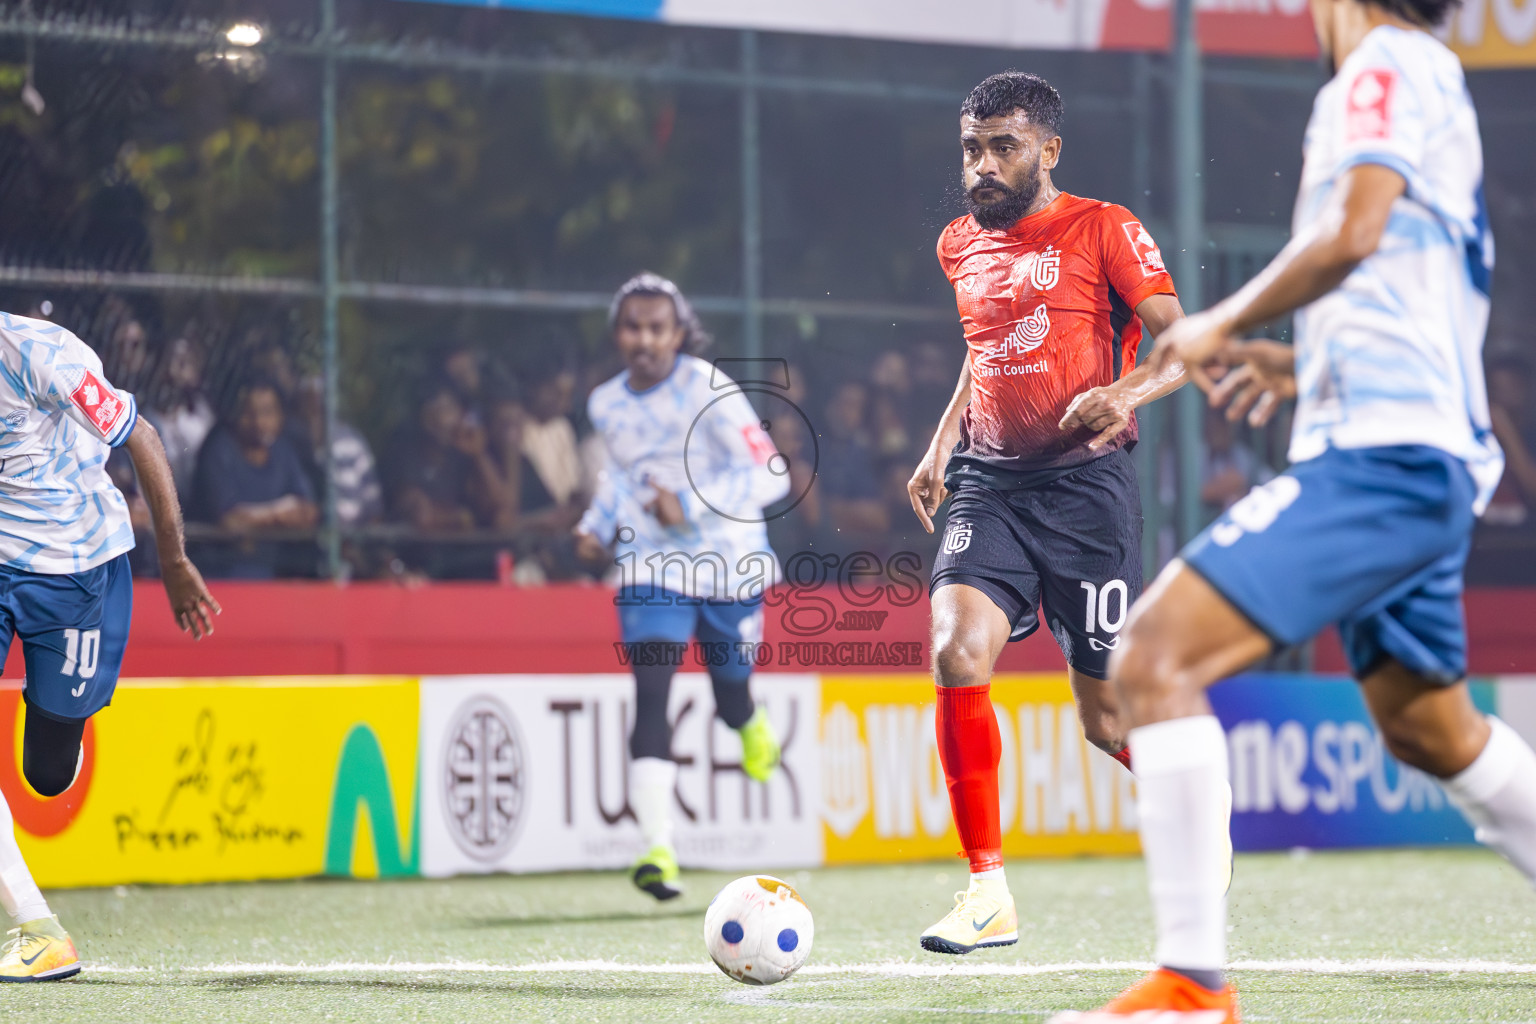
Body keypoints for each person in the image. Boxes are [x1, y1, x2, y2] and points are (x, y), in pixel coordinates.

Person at [1049, 1, 1533, 1020]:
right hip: (1416, 446)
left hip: (1384, 460)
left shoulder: (1383, 68)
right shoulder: (1429, 76)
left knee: (1150, 660)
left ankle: (1190, 985)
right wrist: (1293, 360)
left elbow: (1354, 234)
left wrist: (1220, 318)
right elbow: (1406, 288)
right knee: (1431, 729)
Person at [905, 71, 1193, 956]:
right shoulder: (960, 243)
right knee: (955, 648)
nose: (982, 166)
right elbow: (981, 349)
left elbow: (1181, 342)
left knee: (1106, 723)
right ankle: (987, 892)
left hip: (1086, 489)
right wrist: (941, 440)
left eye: (1003, 147)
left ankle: (1195, 798)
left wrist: (1126, 389)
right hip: (990, 484)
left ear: (1048, 149)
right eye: (971, 149)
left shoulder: (1104, 227)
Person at [0, 311, 219, 980]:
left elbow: (142, 436)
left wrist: (175, 562)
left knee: (48, 772)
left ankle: (62, 715)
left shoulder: (37, 354)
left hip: (77, 569)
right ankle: (40, 930)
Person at [574, 272, 788, 901]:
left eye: (656, 327)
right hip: (650, 565)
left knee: (727, 694)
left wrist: (689, 506)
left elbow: (770, 474)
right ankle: (657, 851)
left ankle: (745, 718)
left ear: (677, 333)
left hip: (728, 560)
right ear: (618, 334)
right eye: (632, 327)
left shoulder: (707, 387)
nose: (644, 339)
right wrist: (594, 526)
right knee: (652, 689)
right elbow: (619, 479)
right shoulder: (604, 403)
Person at [189, 380, 319, 579]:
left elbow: (307, 512)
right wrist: (277, 514)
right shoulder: (219, 450)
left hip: (271, 574)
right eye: (249, 413)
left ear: (280, 416)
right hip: (220, 576)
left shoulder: (284, 451)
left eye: (267, 412)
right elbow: (230, 521)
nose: (259, 422)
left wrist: (254, 521)